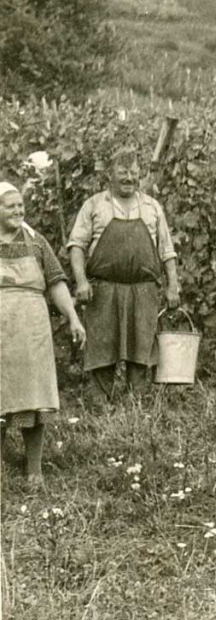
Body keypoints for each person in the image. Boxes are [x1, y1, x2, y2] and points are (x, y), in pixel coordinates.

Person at [67, 154, 180, 398]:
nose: (129, 178)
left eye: (133, 172)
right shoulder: (95, 205)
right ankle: (99, 405)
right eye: (123, 173)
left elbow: (167, 250)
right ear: (110, 175)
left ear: (139, 174)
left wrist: (173, 285)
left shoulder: (152, 207)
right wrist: (82, 282)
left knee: (141, 346)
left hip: (143, 289)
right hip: (103, 289)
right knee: (102, 347)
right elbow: (76, 246)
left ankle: (136, 403)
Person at [0, 181, 86, 487]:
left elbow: (56, 283)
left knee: (34, 396)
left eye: (20, 205)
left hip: (32, 328)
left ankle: (34, 468)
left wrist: (73, 318)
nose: (18, 211)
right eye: (10, 206)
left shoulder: (37, 242)